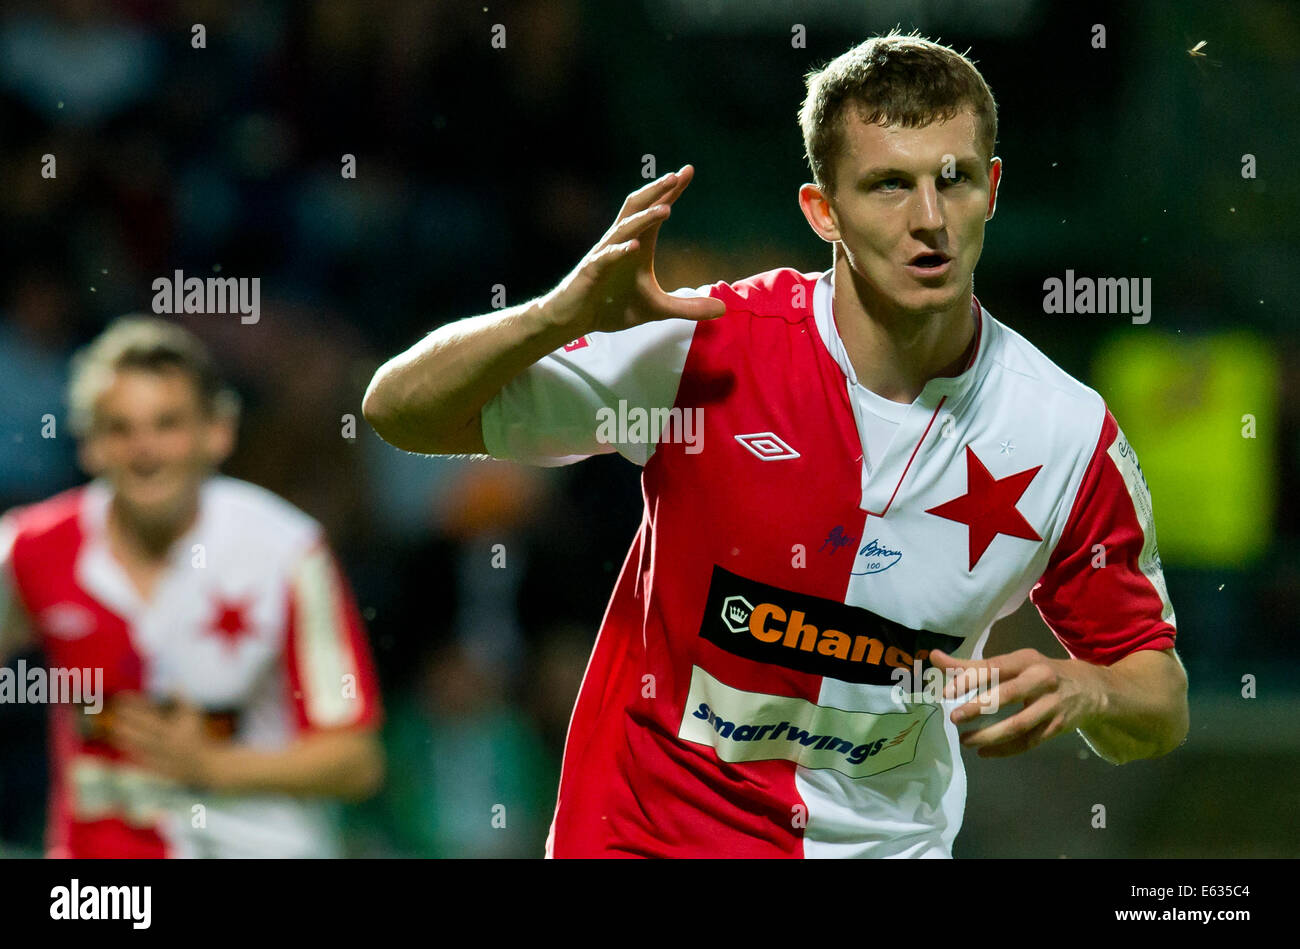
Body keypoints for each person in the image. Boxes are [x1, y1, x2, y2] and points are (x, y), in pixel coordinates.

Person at [363, 32, 1188, 858]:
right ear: (822, 210)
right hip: (647, 839)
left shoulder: (1067, 432)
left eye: (954, 178)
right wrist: (557, 315)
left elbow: (1158, 704)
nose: (928, 219)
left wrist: (1089, 686)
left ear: (993, 188)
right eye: (888, 186)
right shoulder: (709, 344)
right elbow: (402, 411)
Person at [0, 316, 383, 857]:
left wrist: (211, 767)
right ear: (88, 445)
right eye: (120, 428)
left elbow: (356, 760)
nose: (146, 451)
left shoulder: (287, 553)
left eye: (167, 424)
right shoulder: (31, 549)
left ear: (218, 432)